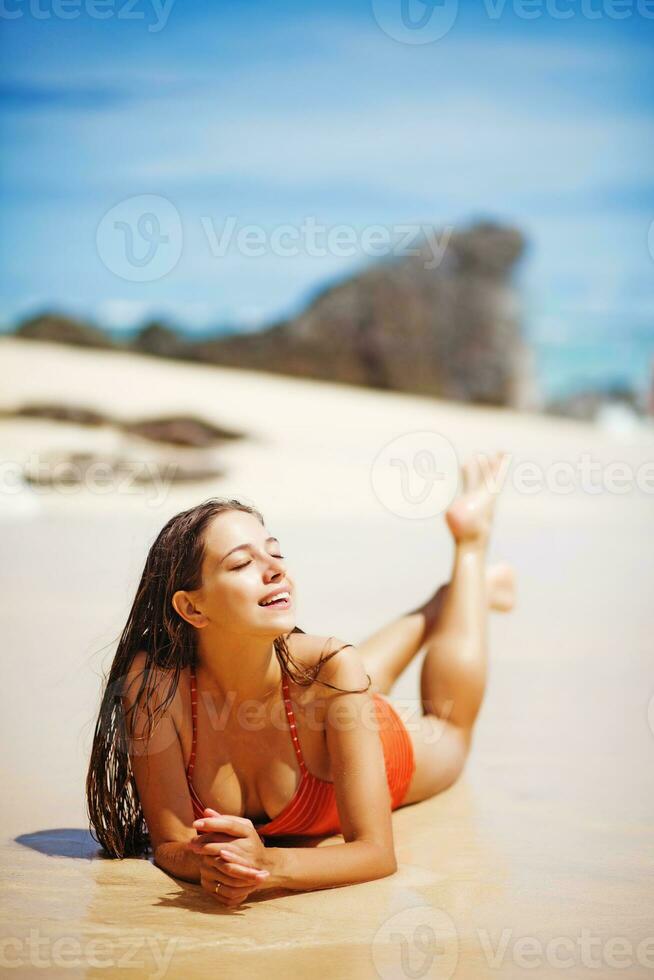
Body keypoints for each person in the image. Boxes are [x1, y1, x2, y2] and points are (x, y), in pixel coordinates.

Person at [86, 451, 513, 907]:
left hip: (378, 739)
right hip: (311, 691)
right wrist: (207, 863)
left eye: (275, 553)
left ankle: (470, 548)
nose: (275, 570)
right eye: (240, 564)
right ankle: (447, 602)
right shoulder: (154, 688)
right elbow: (171, 845)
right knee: (338, 673)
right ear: (192, 608)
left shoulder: (333, 668)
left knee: (451, 728)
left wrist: (267, 867)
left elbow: (376, 854)